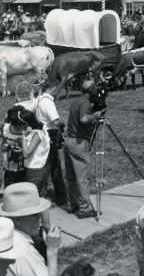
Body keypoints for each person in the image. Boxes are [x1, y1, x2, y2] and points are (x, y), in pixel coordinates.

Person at [16, 81, 68, 205]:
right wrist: (64, 123)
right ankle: (58, 197)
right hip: (49, 135)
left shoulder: (38, 100)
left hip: (42, 135)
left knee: (49, 166)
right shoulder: (47, 101)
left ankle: (49, 193)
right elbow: (56, 121)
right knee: (52, 167)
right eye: (58, 86)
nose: (59, 89)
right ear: (52, 87)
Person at [63, 80, 105, 219]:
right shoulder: (85, 103)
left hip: (68, 141)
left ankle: (72, 204)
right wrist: (96, 115)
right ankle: (84, 209)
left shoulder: (76, 101)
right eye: (95, 89)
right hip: (78, 143)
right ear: (91, 90)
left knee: (71, 176)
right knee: (82, 177)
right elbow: (84, 119)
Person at [0, 183, 62, 276]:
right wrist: (52, 250)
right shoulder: (24, 252)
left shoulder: (3, 234)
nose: (39, 219)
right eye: (34, 215)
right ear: (17, 219)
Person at [1, 106, 50, 193]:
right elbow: (4, 145)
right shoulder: (5, 129)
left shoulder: (34, 133)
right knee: (10, 191)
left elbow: (27, 153)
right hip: (10, 168)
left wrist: (23, 136)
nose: (19, 129)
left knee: (25, 192)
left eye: (21, 126)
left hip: (27, 169)